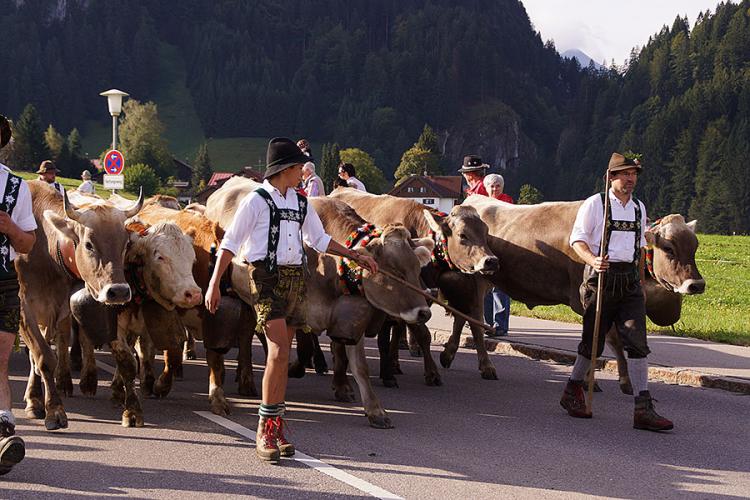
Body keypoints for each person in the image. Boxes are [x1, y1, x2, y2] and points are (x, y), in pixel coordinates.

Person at [205, 137, 378, 464]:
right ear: (286, 169)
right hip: (265, 278)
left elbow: (319, 239)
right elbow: (230, 242)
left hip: (296, 279)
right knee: (279, 350)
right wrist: (214, 283)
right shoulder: (255, 201)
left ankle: (276, 425)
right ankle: (265, 428)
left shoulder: (300, 203)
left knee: (282, 356)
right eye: (300, 167)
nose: (304, 172)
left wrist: (354, 254)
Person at [561, 152, 673, 432]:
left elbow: (638, 250)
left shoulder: (638, 208)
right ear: (611, 177)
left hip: (629, 282)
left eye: (634, 174)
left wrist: (641, 286)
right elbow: (577, 239)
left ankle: (643, 408)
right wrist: (592, 259)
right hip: (601, 280)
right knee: (593, 343)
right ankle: (572, 390)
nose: (630, 179)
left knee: (637, 343)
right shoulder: (595, 205)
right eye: (625, 174)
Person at [0, 114, 37, 475]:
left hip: (2, 282)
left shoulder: (16, 187)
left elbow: (28, 244)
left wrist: (10, 227)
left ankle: (2, 434)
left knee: (0, 359)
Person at [482, 173, 513, 337]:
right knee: (486, 289)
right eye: (491, 186)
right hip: (485, 251)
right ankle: (487, 324)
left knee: (500, 289)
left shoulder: (508, 202)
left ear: (502, 187)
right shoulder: (482, 202)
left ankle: (500, 326)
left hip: (502, 250)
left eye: (497, 186)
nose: (494, 189)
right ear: (486, 188)